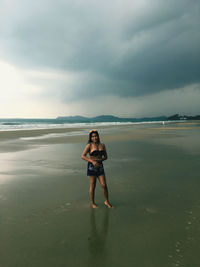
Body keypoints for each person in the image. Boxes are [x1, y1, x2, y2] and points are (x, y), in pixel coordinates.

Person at [81, 129, 112, 209]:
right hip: (92, 167)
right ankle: (93, 203)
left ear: (98, 136)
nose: (94, 138)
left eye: (96, 136)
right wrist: (92, 161)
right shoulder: (89, 145)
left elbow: (106, 157)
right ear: (91, 138)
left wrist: (100, 160)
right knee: (93, 186)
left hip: (100, 166)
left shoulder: (102, 145)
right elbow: (83, 156)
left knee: (104, 185)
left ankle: (107, 201)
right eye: (93, 137)